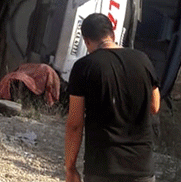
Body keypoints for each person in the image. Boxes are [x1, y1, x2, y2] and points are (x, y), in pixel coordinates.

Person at [65, 13, 160, 182]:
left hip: (103, 168)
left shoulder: (84, 67)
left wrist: (70, 168)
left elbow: (75, 124)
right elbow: (154, 106)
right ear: (113, 34)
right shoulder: (143, 60)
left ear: (86, 41)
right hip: (141, 168)